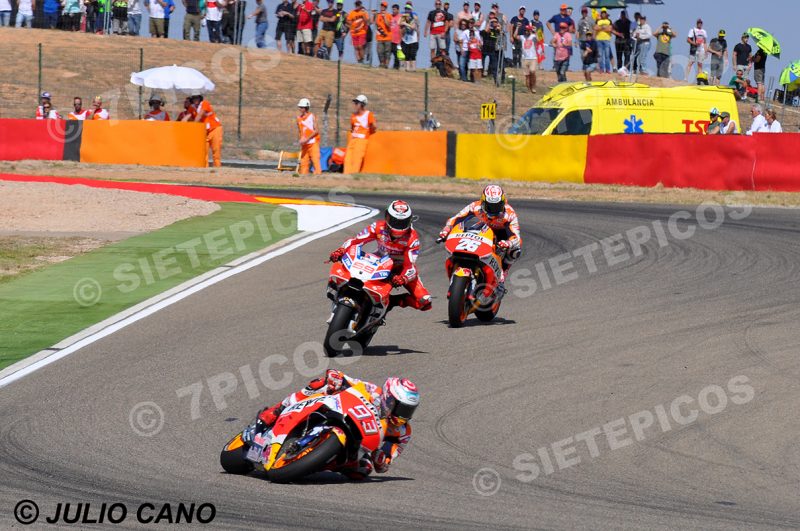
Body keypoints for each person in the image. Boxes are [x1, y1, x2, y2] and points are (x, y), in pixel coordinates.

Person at [247, 370, 419, 480]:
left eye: (409, 410)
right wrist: (336, 377)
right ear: (389, 398)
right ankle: (277, 410)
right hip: (338, 412)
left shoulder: (402, 431)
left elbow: (385, 460)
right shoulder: (372, 390)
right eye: (401, 408)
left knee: (363, 470)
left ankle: (315, 463)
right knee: (320, 384)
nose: (404, 414)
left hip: (358, 444)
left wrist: (381, 459)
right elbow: (345, 379)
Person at [331, 200, 431, 311]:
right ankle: (342, 291)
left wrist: (403, 278)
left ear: (409, 221)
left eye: (402, 222)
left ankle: (392, 301)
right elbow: (355, 241)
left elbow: (410, 266)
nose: (397, 225)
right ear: (387, 217)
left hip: (399, 270)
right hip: (378, 262)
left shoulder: (413, 239)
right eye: (394, 221)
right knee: (348, 270)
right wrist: (341, 250)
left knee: (424, 302)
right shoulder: (377, 227)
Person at [439, 185, 521, 303]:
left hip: (501, 236)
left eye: (497, 206)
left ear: (503, 203)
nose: (493, 209)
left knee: (515, 251)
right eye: (490, 206)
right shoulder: (475, 206)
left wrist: (508, 242)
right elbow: (456, 218)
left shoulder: (509, 214)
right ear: (483, 202)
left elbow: (516, 237)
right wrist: (446, 229)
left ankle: (502, 278)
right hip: (482, 231)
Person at [343, 94, 376, 174]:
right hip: (353, 139)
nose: (355, 105)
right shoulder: (353, 116)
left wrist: (368, 133)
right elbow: (352, 128)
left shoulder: (368, 114)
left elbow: (374, 126)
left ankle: (353, 175)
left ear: (362, 104)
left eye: (357, 103)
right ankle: (346, 174)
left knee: (356, 159)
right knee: (348, 158)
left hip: (362, 140)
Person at [191, 94, 223, 167]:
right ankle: (205, 168)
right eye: (193, 98)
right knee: (203, 151)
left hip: (214, 128)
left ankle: (217, 167)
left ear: (200, 98)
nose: (195, 100)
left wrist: (192, 126)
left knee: (216, 150)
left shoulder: (204, 103)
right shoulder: (193, 108)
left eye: (197, 98)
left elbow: (199, 116)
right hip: (204, 131)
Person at [296, 98, 321, 175]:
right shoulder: (298, 119)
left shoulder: (311, 116)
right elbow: (300, 131)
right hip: (305, 145)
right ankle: (304, 177)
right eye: (299, 107)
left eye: (302, 107)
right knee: (304, 162)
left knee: (315, 160)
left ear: (306, 108)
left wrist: (306, 139)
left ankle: (318, 176)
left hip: (313, 143)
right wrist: (301, 140)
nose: (300, 109)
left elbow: (316, 130)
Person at [399, 3, 419, 71]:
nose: (406, 10)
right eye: (405, 9)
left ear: (410, 10)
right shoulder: (403, 17)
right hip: (406, 40)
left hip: (413, 39)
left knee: (413, 55)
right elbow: (399, 23)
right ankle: (407, 68)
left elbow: (413, 27)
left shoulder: (414, 17)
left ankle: (413, 69)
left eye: (408, 9)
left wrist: (405, 24)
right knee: (406, 54)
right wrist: (403, 21)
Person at [373, 1, 393, 67]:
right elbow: (374, 23)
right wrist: (374, 15)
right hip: (379, 37)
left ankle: (386, 65)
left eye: (384, 6)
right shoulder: (378, 15)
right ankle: (381, 63)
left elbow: (388, 25)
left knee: (387, 52)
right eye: (381, 5)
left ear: (386, 7)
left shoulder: (389, 15)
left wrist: (384, 17)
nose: (382, 7)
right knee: (379, 51)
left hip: (387, 37)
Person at [594, 8, 612, 74]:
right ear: (601, 13)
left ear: (606, 13)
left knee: (607, 55)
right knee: (600, 55)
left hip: (607, 39)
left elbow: (610, 29)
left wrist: (600, 28)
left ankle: (608, 69)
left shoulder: (609, 21)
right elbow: (595, 28)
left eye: (604, 13)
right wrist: (604, 27)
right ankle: (601, 69)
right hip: (599, 39)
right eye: (602, 13)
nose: (603, 14)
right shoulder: (598, 21)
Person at [519, 24, 537, 92]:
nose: (527, 32)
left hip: (533, 58)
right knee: (527, 75)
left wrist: (535, 32)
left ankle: (533, 87)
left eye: (528, 30)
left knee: (532, 72)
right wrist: (518, 28)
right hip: (524, 58)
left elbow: (538, 39)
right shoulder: (522, 37)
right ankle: (529, 89)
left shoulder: (533, 36)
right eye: (526, 30)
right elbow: (515, 36)